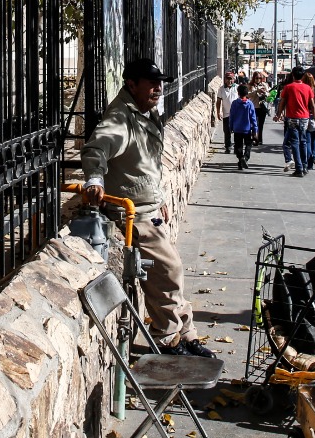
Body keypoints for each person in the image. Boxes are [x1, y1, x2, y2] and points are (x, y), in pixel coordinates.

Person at [81, 58, 212, 357]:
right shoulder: (120, 117)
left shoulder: (144, 111)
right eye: (151, 83)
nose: (158, 89)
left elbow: (147, 166)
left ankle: (185, 333)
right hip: (134, 215)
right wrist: (94, 178)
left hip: (148, 209)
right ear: (131, 84)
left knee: (169, 274)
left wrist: (161, 197)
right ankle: (168, 338)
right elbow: (96, 148)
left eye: (160, 83)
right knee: (169, 270)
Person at [274, 65, 315, 176]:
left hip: (292, 118)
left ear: (293, 75)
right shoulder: (308, 88)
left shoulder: (288, 87)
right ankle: (305, 166)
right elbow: (312, 105)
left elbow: (282, 103)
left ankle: (299, 168)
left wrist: (278, 115)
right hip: (305, 118)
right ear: (303, 76)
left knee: (295, 143)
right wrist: (314, 118)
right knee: (303, 142)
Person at [229, 84, 259, 170]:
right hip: (247, 129)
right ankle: (245, 157)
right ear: (247, 93)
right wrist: (255, 130)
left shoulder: (234, 103)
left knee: (238, 146)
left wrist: (230, 127)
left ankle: (240, 159)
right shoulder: (250, 104)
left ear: (238, 93)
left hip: (237, 128)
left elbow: (231, 116)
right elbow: (253, 118)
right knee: (248, 145)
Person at [215, 75, 241, 153]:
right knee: (227, 131)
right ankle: (228, 146)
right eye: (228, 79)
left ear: (234, 79)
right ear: (225, 79)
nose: (230, 81)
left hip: (236, 113)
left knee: (237, 131)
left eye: (231, 79)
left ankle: (237, 146)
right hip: (226, 113)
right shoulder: (221, 89)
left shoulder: (237, 87)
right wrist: (218, 112)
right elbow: (218, 101)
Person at [249, 72, 271, 145]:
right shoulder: (250, 86)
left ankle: (259, 139)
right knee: (254, 124)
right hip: (254, 107)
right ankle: (254, 138)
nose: (258, 79)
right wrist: (256, 91)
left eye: (260, 78)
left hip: (262, 107)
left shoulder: (264, 85)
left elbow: (269, 94)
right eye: (257, 78)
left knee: (260, 124)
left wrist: (265, 93)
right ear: (254, 78)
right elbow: (248, 95)